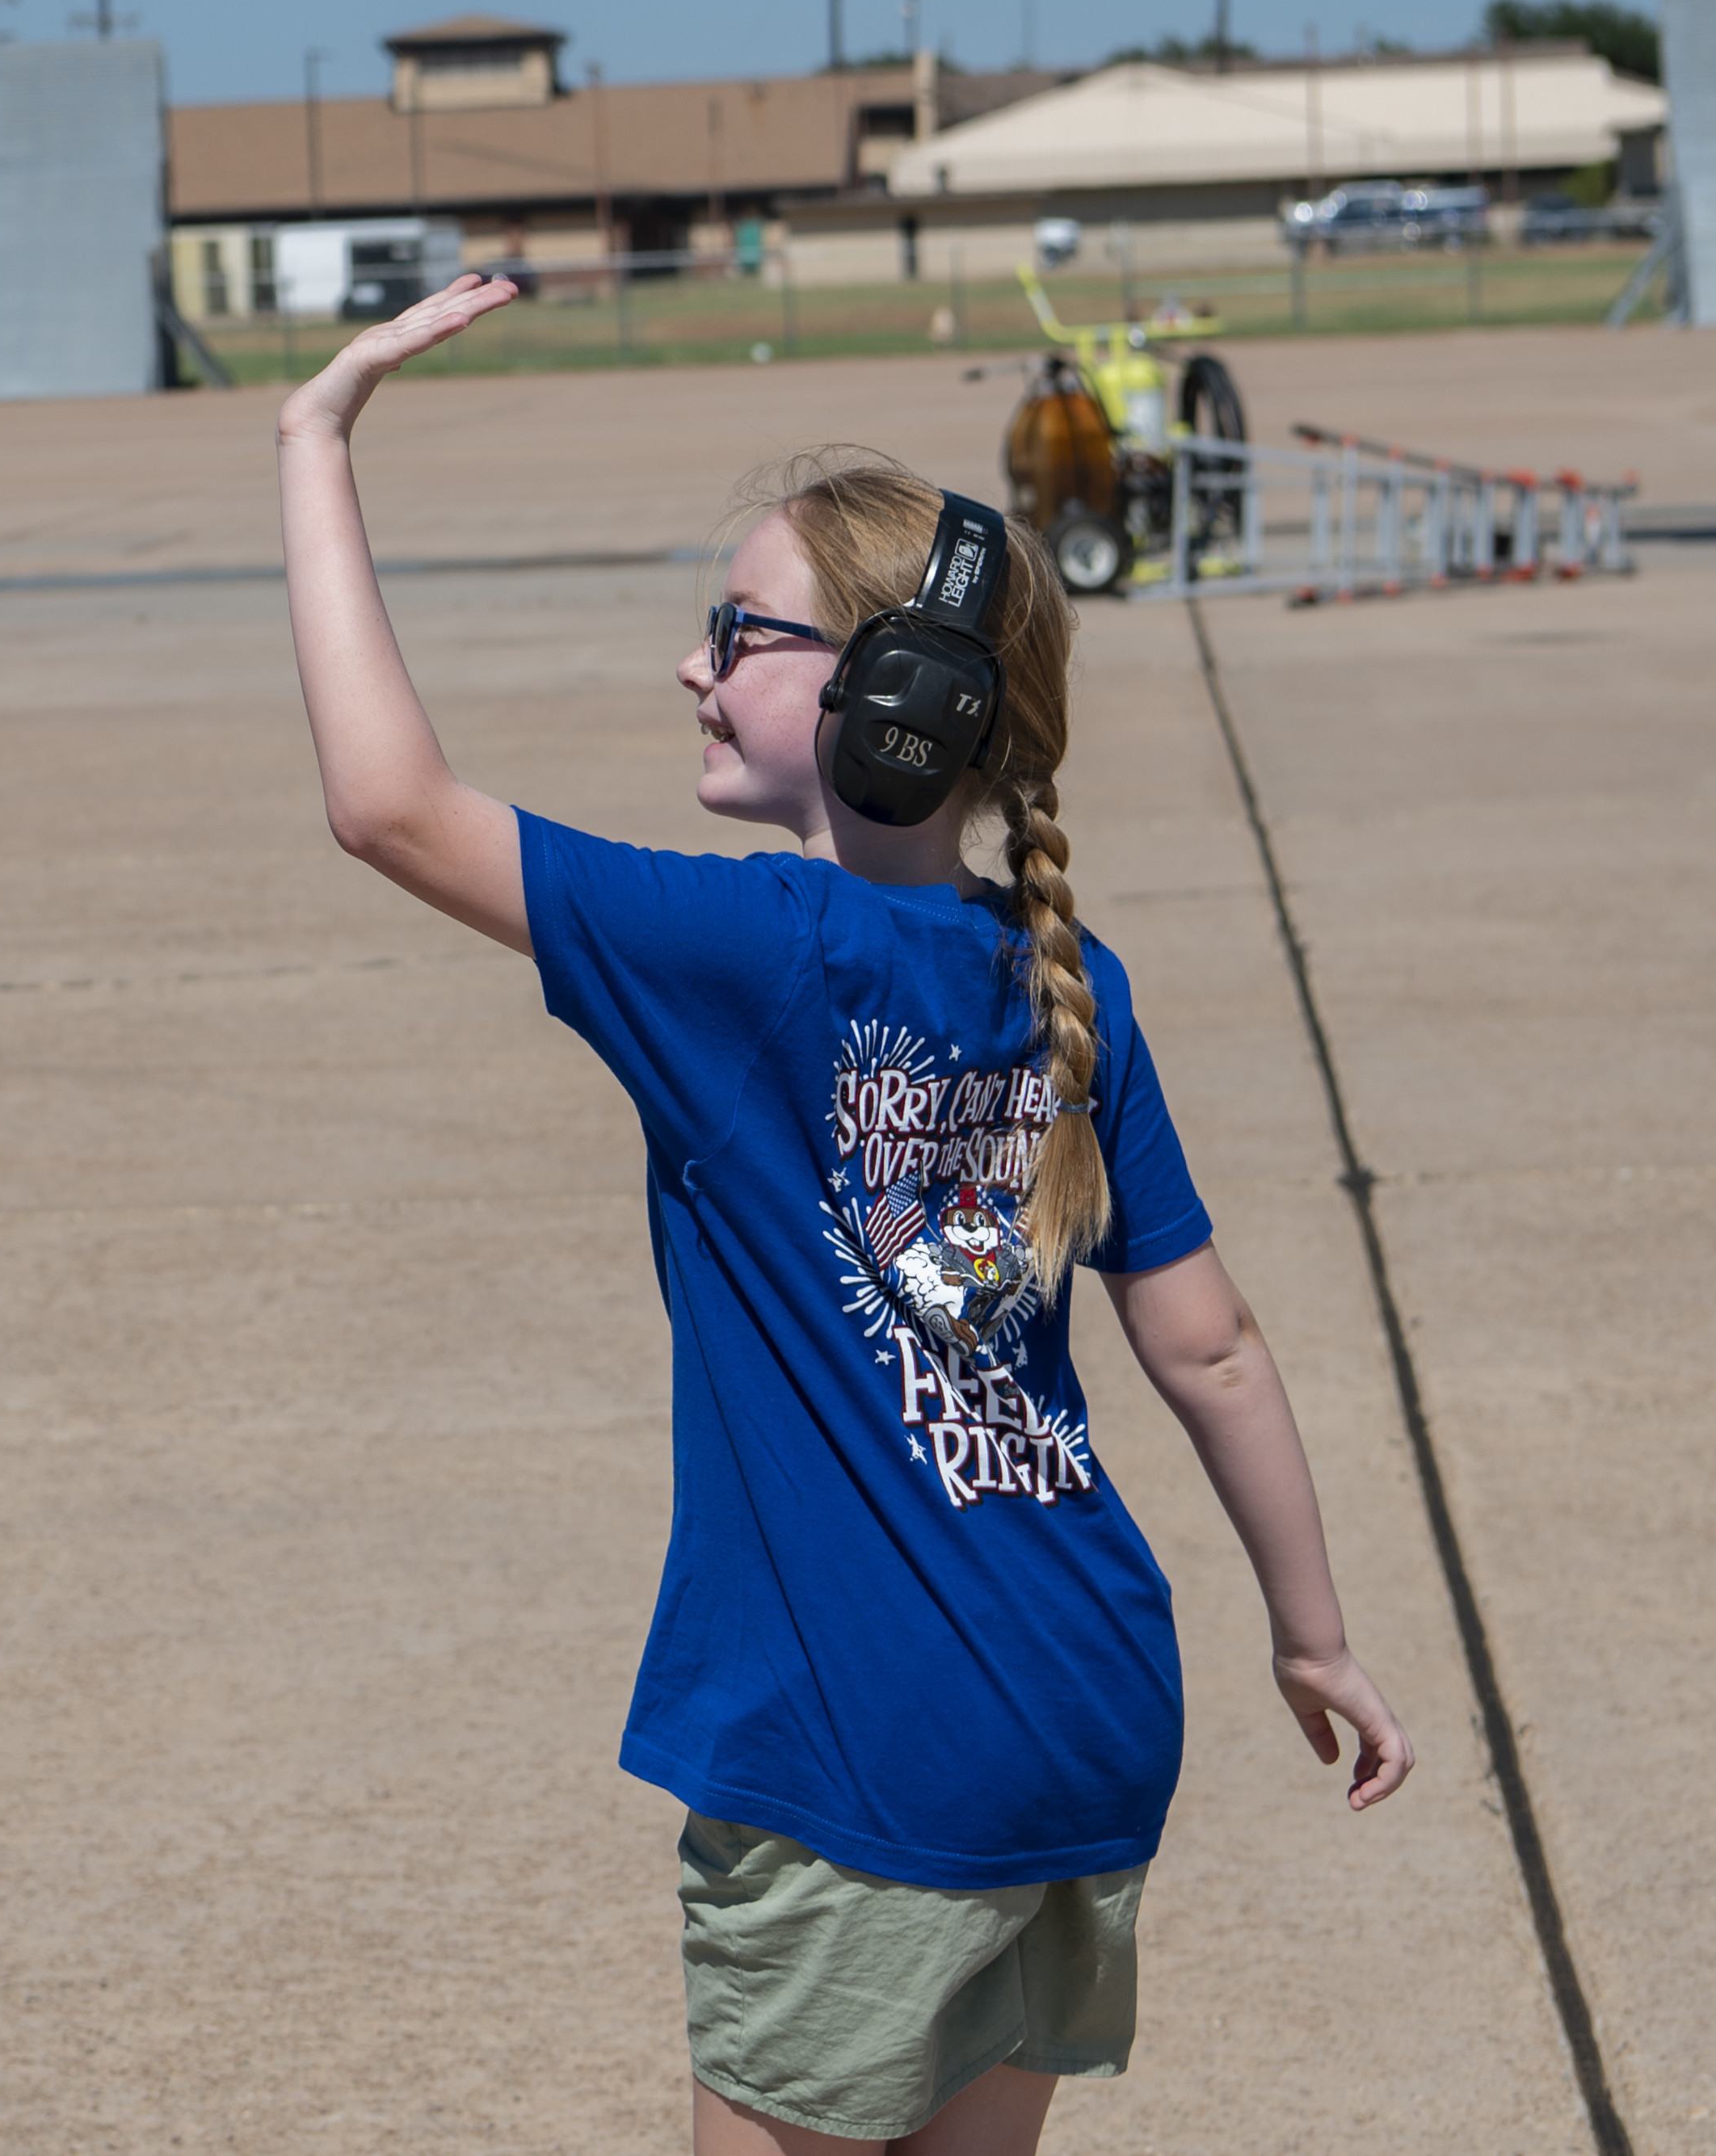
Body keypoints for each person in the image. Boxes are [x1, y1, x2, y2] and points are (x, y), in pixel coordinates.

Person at [267, 275, 1411, 2156]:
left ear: (896, 698)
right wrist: (1310, 1632)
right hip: (1082, 1707)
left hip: (865, 1740)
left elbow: (385, 805)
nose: (692, 663)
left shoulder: (749, 950)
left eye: (737, 629)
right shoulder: (1065, 976)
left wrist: (311, 441)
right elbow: (1207, 1342)